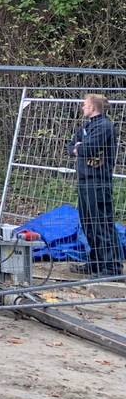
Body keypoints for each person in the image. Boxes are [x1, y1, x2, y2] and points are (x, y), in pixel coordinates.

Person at [68, 94, 122, 278]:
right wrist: (78, 147)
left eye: (84, 105)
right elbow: (71, 146)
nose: (82, 108)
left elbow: (87, 149)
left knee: (102, 223)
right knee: (88, 224)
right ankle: (96, 263)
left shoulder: (105, 126)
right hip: (84, 180)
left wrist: (80, 148)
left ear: (92, 107)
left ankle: (111, 267)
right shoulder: (86, 126)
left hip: (98, 182)